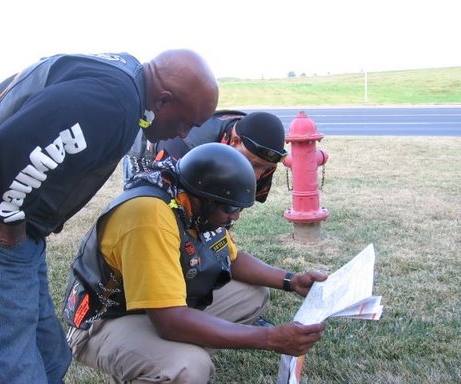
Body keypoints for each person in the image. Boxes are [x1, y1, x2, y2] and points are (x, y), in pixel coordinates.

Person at [0, 49, 218, 383]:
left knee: (48, 355)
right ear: (163, 100)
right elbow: (7, 154)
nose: (182, 135)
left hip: (17, 222)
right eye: (186, 123)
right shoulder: (111, 101)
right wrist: (12, 232)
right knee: (4, 365)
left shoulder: (129, 81)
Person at [63, 143, 327, 384]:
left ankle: (164, 351)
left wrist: (291, 280)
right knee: (188, 367)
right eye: (229, 209)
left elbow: (231, 259)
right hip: (102, 319)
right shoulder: (150, 216)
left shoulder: (192, 199)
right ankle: (162, 361)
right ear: (203, 198)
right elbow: (170, 321)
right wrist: (269, 339)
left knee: (251, 295)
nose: (234, 216)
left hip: (147, 307)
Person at [123, 110, 287, 203]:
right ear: (235, 141)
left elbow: (233, 201)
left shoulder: (262, 155)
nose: (256, 175)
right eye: (253, 165)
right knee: (151, 204)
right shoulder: (189, 144)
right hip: (149, 147)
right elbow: (171, 197)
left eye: (265, 168)